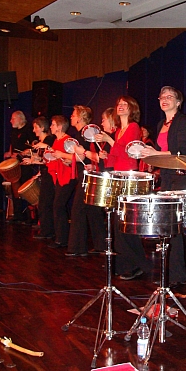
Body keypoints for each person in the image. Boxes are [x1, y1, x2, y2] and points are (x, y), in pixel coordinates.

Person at [141, 86, 186, 287]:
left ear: (178, 102)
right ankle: (171, 272)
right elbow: (162, 152)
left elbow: (179, 151)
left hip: (180, 177)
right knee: (167, 227)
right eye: (162, 96)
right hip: (166, 176)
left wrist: (153, 154)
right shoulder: (160, 123)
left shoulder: (183, 121)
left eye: (169, 96)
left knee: (174, 228)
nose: (165, 99)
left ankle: (177, 274)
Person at [95, 96, 151, 280]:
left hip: (129, 177)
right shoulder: (119, 130)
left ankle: (137, 264)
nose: (120, 107)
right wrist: (105, 156)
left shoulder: (134, 128)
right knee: (120, 224)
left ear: (132, 109)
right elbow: (115, 155)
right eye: (119, 104)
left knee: (126, 224)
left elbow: (127, 151)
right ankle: (127, 263)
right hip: (119, 176)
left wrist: (110, 142)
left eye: (125, 105)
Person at [65, 105, 106, 257]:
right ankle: (100, 245)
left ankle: (77, 247)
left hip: (89, 175)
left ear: (80, 117)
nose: (71, 117)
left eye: (73, 114)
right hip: (88, 173)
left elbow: (92, 155)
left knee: (78, 210)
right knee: (92, 210)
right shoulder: (80, 134)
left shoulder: (87, 133)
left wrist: (76, 155)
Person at [22, 116, 56, 240]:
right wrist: (32, 160)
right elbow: (43, 159)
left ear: (42, 128)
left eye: (35, 127)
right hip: (46, 173)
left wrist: (34, 161)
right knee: (44, 203)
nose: (33, 130)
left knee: (45, 203)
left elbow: (49, 159)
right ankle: (45, 227)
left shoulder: (49, 140)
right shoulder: (45, 141)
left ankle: (47, 231)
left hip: (50, 174)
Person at [46, 116, 77, 249]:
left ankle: (62, 239)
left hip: (68, 176)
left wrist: (62, 156)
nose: (51, 127)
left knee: (58, 205)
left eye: (53, 124)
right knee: (58, 206)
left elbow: (76, 157)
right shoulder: (57, 140)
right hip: (60, 176)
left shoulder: (68, 140)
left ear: (59, 126)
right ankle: (61, 237)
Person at [4, 110, 37, 223]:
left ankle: (30, 216)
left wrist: (21, 154)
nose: (10, 121)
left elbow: (34, 146)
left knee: (26, 189)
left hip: (26, 163)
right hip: (15, 163)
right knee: (15, 189)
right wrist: (10, 153)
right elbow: (12, 144)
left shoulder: (29, 129)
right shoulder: (13, 131)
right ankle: (18, 215)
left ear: (20, 119)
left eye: (13, 118)